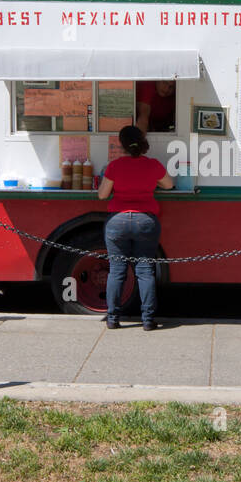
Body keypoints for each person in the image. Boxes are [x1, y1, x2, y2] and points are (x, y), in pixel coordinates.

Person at [97, 124, 173, 330]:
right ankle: (148, 321)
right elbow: (169, 184)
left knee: (117, 270)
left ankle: (113, 319)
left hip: (118, 222)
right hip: (145, 221)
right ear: (142, 143)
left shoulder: (114, 166)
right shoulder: (153, 165)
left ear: (121, 145)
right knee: (145, 270)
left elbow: (102, 195)